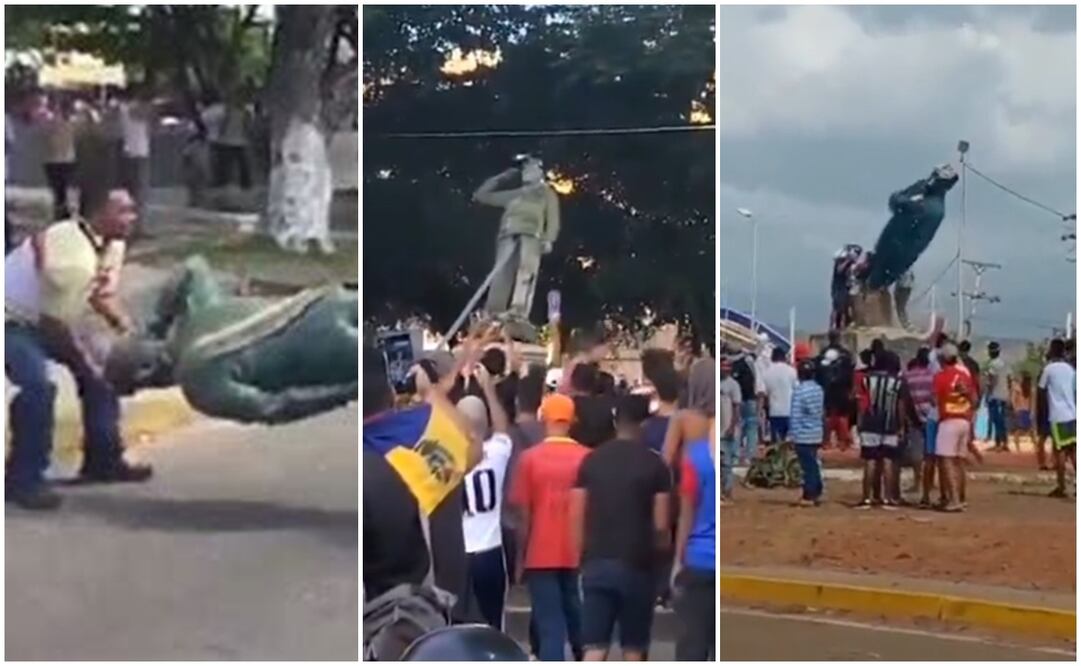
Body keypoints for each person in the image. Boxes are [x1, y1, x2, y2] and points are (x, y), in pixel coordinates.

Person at [5, 185, 150, 510]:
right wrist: (85, 362)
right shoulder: (71, 254)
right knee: (39, 388)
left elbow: (99, 294)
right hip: (12, 321)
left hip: (43, 318)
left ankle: (103, 460)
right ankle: (23, 480)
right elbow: (54, 327)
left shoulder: (111, 246)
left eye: (132, 210)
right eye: (123, 211)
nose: (131, 217)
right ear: (98, 213)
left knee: (103, 376)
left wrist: (126, 330)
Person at [362, 336, 484, 660]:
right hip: (448, 611)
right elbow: (474, 444)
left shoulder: (365, 460)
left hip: (391, 628)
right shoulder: (433, 427)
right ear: (389, 390)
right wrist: (432, 393)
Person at [570, 395, 671, 661]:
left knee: (594, 646)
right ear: (644, 425)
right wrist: (662, 556)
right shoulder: (655, 465)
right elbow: (661, 526)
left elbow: (577, 513)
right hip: (638, 564)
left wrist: (581, 557)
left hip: (597, 561)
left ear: (616, 422)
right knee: (634, 648)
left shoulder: (591, 460)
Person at [508, 393, 589, 661]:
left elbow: (524, 514)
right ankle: (585, 655)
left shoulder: (530, 459)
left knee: (550, 623)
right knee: (576, 612)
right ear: (573, 420)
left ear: (544, 419)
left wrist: (521, 558)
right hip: (577, 551)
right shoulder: (586, 457)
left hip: (540, 552)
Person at [459, 364, 514, 631]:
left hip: (457, 553)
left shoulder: (446, 459)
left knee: (456, 627)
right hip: (490, 551)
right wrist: (489, 390)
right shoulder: (497, 454)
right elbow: (503, 429)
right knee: (493, 627)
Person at [672, 417, 715, 661]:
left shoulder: (695, 457)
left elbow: (686, 513)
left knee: (694, 640)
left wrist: (678, 559)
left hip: (698, 557)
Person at [855, 345, 906, 509]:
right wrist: (901, 425)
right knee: (888, 461)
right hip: (890, 424)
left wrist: (859, 422)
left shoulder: (866, 379)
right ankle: (888, 498)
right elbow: (900, 406)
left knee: (870, 461)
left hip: (870, 423)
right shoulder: (897, 382)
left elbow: (861, 404)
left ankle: (867, 498)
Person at [933, 343, 980, 512]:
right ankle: (961, 497)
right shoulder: (965, 374)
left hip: (948, 421)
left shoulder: (940, 377)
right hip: (964, 421)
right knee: (959, 462)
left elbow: (934, 399)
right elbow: (974, 399)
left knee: (946, 461)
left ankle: (953, 499)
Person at [1039, 339, 1076, 498]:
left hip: (1058, 416)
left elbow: (1041, 390)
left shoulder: (1049, 369)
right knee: (1074, 452)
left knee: (1059, 451)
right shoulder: (1070, 369)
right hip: (1073, 414)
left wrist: (1040, 415)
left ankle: (1061, 487)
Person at [119, 86, 153, 238]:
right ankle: (139, 228)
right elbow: (151, 120)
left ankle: (130, 227)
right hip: (140, 153)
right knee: (140, 194)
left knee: (132, 193)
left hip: (128, 153)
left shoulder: (123, 110)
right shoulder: (135, 110)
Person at [902, 347, 936, 502]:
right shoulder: (933, 376)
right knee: (930, 454)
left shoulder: (907, 376)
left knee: (916, 455)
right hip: (932, 418)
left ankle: (917, 483)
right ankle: (929, 485)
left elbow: (904, 400)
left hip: (914, 418)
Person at [790, 358, 825, 507]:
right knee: (813, 463)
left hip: (803, 434)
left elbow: (796, 414)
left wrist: (792, 435)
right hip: (816, 432)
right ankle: (814, 491)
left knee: (808, 466)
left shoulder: (799, 391)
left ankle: (810, 493)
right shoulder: (819, 389)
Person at [815, 330, 855, 451]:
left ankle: (826, 442)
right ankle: (842, 443)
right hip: (842, 389)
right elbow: (850, 373)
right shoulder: (846, 355)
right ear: (839, 338)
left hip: (826, 389)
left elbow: (818, 372)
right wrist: (850, 388)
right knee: (842, 416)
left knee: (828, 416)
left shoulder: (823, 354)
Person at [42, 96, 80, 220]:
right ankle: (61, 211)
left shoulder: (55, 121)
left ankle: (60, 211)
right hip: (62, 159)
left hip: (57, 159)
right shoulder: (68, 122)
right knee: (61, 189)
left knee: (59, 189)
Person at [717, 358, 743, 503]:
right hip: (717, 429)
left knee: (727, 463)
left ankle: (727, 491)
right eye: (722, 366)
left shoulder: (733, 385)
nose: (724, 369)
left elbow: (736, 407)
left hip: (727, 428)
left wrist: (732, 427)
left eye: (727, 367)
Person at [761, 347, 798, 443]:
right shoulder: (791, 371)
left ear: (772, 357)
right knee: (791, 443)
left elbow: (764, 393)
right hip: (790, 411)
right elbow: (797, 389)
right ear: (784, 357)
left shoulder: (766, 372)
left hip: (775, 412)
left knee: (777, 444)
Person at [730, 348, 760, 463]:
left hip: (737, 401)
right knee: (751, 428)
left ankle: (735, 456)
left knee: (738, 428)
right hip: (751, 399)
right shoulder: (751, 364)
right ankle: (749, 456)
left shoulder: (733, 365)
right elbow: (757, 383)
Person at [985, 341, 1011, 451]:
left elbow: (992, 380)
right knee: (1001, 420)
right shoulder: (1004, 363)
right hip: (1004, 395)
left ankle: (1000, 443)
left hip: (995, 396)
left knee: (997, 420)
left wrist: (989, 392)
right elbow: (1009, 379)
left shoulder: (992, 364)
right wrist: (1008, 392)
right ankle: (1002, 442)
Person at [1010, 371, 1036, 457]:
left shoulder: (1018, 389)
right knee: (1030, 430)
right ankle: (1035, 446)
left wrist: (1015, 409)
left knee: (1018, 431)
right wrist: (1032, 412)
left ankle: (1018, 448)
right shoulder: (1030, 389)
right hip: (1026, 411)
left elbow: (1013, 400)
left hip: (1020, 410)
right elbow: (1032, 403)